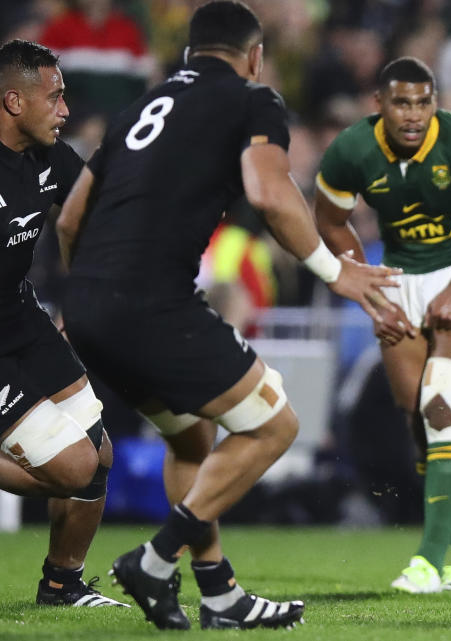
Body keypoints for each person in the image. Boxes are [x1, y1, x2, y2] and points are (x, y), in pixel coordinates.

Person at [56, 1, 400, 630]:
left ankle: (219, 592)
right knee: (274, 425)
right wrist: (335, 271)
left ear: (190, 53)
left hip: (88, 304)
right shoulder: (253, 98)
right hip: (152, 303)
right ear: (254, 56)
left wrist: (91, 298)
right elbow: (270, 192)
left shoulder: (142, 106)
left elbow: (72, 217)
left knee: (192, 437)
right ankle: (156, 561)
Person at [314, 56, 451, 593]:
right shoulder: (352, 151)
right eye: (402, 102)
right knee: (420, 423)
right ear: (378, 104)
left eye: (423, 102)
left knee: (443, 406)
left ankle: (429, 561)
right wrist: (362, 281)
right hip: (399, 281)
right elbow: (329, 220)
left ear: (436, 103)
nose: (413, 114)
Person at [0, 39, 127, 609]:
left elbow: (97, 217)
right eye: (54, 98)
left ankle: (61, 585)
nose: (65, 110)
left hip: (20, 316)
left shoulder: (49, 158)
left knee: (98, 455)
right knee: (74, 466)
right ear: (13, 101)